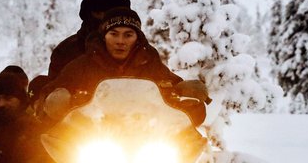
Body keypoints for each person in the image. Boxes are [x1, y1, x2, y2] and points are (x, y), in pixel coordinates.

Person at [40, 7, 206, 126]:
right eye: (114, 34)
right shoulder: (82, 66)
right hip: (92, 140)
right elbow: (48, 95)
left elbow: (173, 87)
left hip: (145, 140)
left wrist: (187, 96)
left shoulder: (150, 64)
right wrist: (56, 101)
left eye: (128, 35)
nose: (120, 41)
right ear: (104, 36)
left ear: (137, 38)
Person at [29, 0, 132, 100]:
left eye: (111, 13)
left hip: (136, 116)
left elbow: (158, 84)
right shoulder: (66, 51)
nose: (104, 19)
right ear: (88, 13)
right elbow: (52, 94)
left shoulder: (141, 52)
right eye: (98, 12)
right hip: (81, 117)